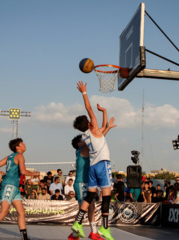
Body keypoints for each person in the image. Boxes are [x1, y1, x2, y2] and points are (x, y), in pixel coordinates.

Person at [71, 81, 116, 240]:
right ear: (89, 123)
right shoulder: (93, 129)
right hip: (103, 164)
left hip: (93, 168)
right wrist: (84, 92)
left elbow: (103, 128)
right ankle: (104, 228)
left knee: (90, 197)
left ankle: (77, 224)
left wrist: (107, 121)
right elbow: (89, 109)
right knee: (106, 196)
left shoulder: (85, 137)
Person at [0, 138, 40, 240]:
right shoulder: (19, 156)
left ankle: (24, 237)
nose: (24, 144)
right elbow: (23, 171)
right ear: (17, 147)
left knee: (21, 212)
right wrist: (36, 173)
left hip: (14, 187)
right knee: (3, 212)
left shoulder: (10, 156)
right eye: (22, 143)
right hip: (10, 186)